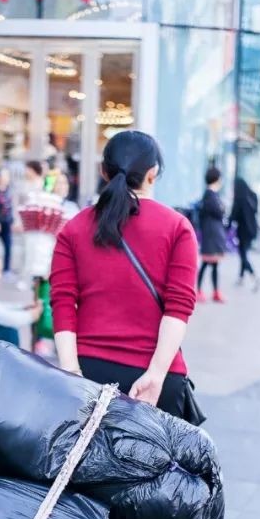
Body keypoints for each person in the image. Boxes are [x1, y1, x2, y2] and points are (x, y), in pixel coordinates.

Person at [50, 130, 198, 418]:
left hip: (89, 373)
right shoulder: (177, 228)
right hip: (157, 377)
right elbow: (178, 307)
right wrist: (156, 373)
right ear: (153, 174)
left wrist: (70, 371)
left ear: (103, 171)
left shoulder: (74, 228)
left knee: (81, 463)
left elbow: (63, 302)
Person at [197, 167, 227, 303]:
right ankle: (198, 291)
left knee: (214, 264)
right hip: (211, 235)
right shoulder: (210, 195)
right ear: (216, 179)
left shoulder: (210, 195)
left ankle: (215, 291)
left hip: (213, 235)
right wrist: (222, 208)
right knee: (205, 263)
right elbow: (219, 212)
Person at [230, 177, 260, 291]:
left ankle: (255, 277)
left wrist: (227, 226)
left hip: (242, 231)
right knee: (244, 253)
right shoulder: (253, 196)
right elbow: (256, 211)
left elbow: (233, 216)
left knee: (243, 255)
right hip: (252, 230)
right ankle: (241, 277)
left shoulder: (239, 199)